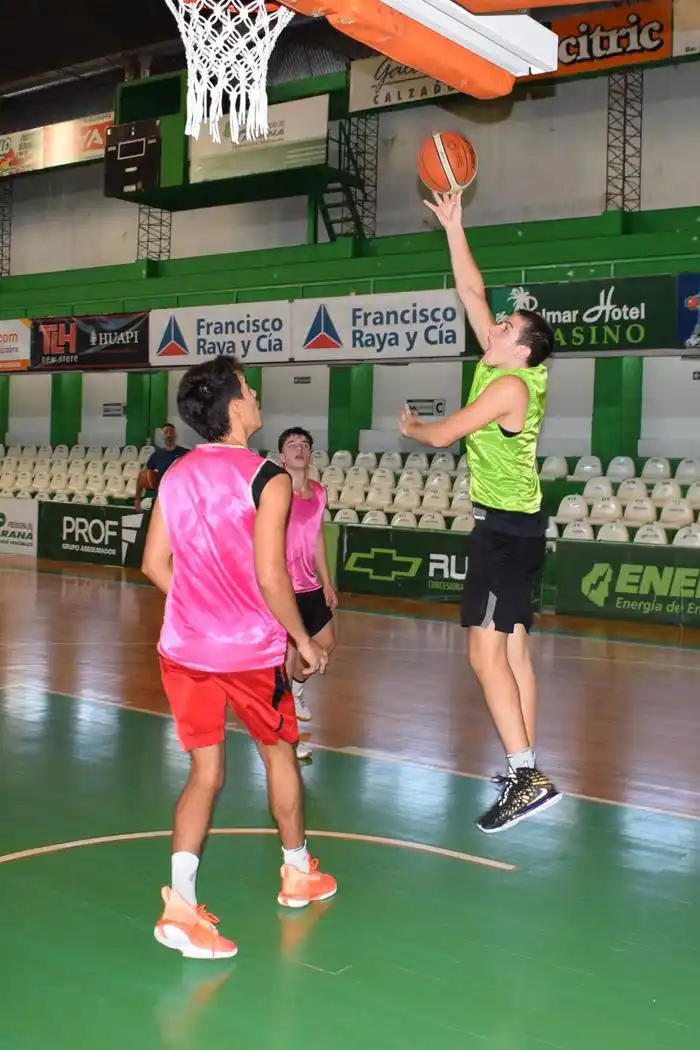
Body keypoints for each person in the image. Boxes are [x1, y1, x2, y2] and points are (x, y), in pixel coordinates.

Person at [141, 356, 337, 960]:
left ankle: (180, 904)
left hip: (184, 649)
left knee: (205, 774)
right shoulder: (267, 477)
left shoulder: (175, 472)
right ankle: (297, 872)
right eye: (249, 390)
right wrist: (303, 640)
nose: (257, 398)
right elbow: (272, 576)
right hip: (251, 652)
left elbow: (153, 564)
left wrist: (197, 605)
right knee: (279, 753)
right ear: (232, 407)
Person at [398, 189, 560, 835]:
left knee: (483, 654)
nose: (491, 328)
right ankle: (527, 767)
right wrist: (454, 226)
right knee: (513, 652)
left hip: (505, 531)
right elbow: (471, 290)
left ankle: (526, 776)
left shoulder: (511, 384)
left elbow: (444, 435)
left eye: (504, 329)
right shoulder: (509, 364)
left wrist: (413, 427)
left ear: (523, 349)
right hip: (518, 526)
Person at [277, 427, 338, 761]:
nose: (299, 449)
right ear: (282, 456)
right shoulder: (276, 492)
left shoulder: (319, 492)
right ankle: (289, 739)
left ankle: (298, 690)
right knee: (285, 665)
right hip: (284, 589)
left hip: (310, 585)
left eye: (304, 445)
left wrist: (326, 581)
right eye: (292, 445)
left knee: (327, 643)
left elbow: (317, 537)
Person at [135, 423, 188, 510]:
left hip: (180, 499)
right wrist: (137, 498)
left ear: (176, 435)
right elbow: (142, 476)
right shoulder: (156, 455)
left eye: (171, 432)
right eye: (166, 432)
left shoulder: (185, 454)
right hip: (161, 499)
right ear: (162, 437)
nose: (169, 435)